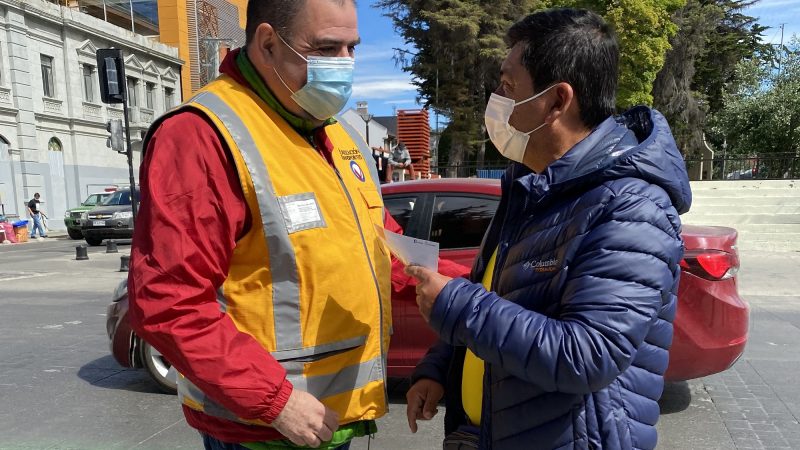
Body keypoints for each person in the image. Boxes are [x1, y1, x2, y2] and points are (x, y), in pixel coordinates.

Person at [404, 8, 692, 450]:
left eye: (507, 86)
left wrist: (455, 306)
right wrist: (442, 366)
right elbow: (503, 299)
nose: (495, 101)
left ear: (557, 101)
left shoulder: (630, 206)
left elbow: (588, 355)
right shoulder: (530, 188)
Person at [128, 1, 393, 449]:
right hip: (264, 430)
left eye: (352, 48)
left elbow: (380, 244)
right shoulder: (202, 134)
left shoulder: (336, 133)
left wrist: (462, 292)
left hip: (335, 419)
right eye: (327, 48)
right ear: (268, 43)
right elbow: (168, 302)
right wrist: (277, 402)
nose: (345, 64)